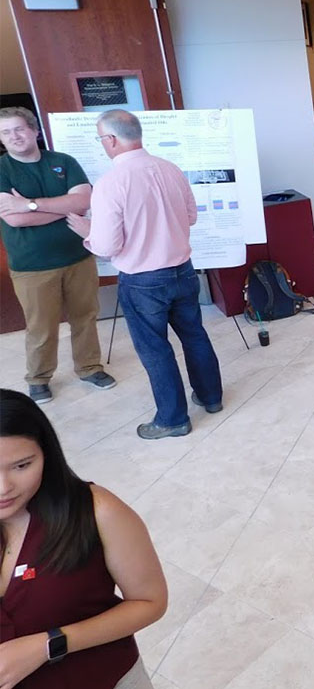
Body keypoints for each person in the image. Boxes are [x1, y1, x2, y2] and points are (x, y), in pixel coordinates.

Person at [65, 109, 223, 440]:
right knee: (194, 335)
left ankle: (172, 419)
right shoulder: (170, 169)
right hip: (183, 270)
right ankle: (211, 398)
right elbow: (191, 217)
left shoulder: (111, 183)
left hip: (143, 281)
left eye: (102, 139)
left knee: (155, 349)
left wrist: (87, 230)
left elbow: (107, 245)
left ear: (110, 140)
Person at [0, 388, 168, 689]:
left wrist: (49, 645)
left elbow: (150, 601)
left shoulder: (97, 511)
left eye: (22, 465)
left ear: (46, 455)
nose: (3, 488)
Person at [0, 107, 116, 405]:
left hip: (78, 257)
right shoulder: (2, 170)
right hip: (31, 266)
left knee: (86, 317)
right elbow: (14, 219)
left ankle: (90, 367)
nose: (14, 136)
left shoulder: (63, 162)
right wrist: (60, 207)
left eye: (19, 129)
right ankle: (38, 378)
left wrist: (31, 205)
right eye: (6, 132)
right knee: (41, 326)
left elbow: (83, 202)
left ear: (35, 131)